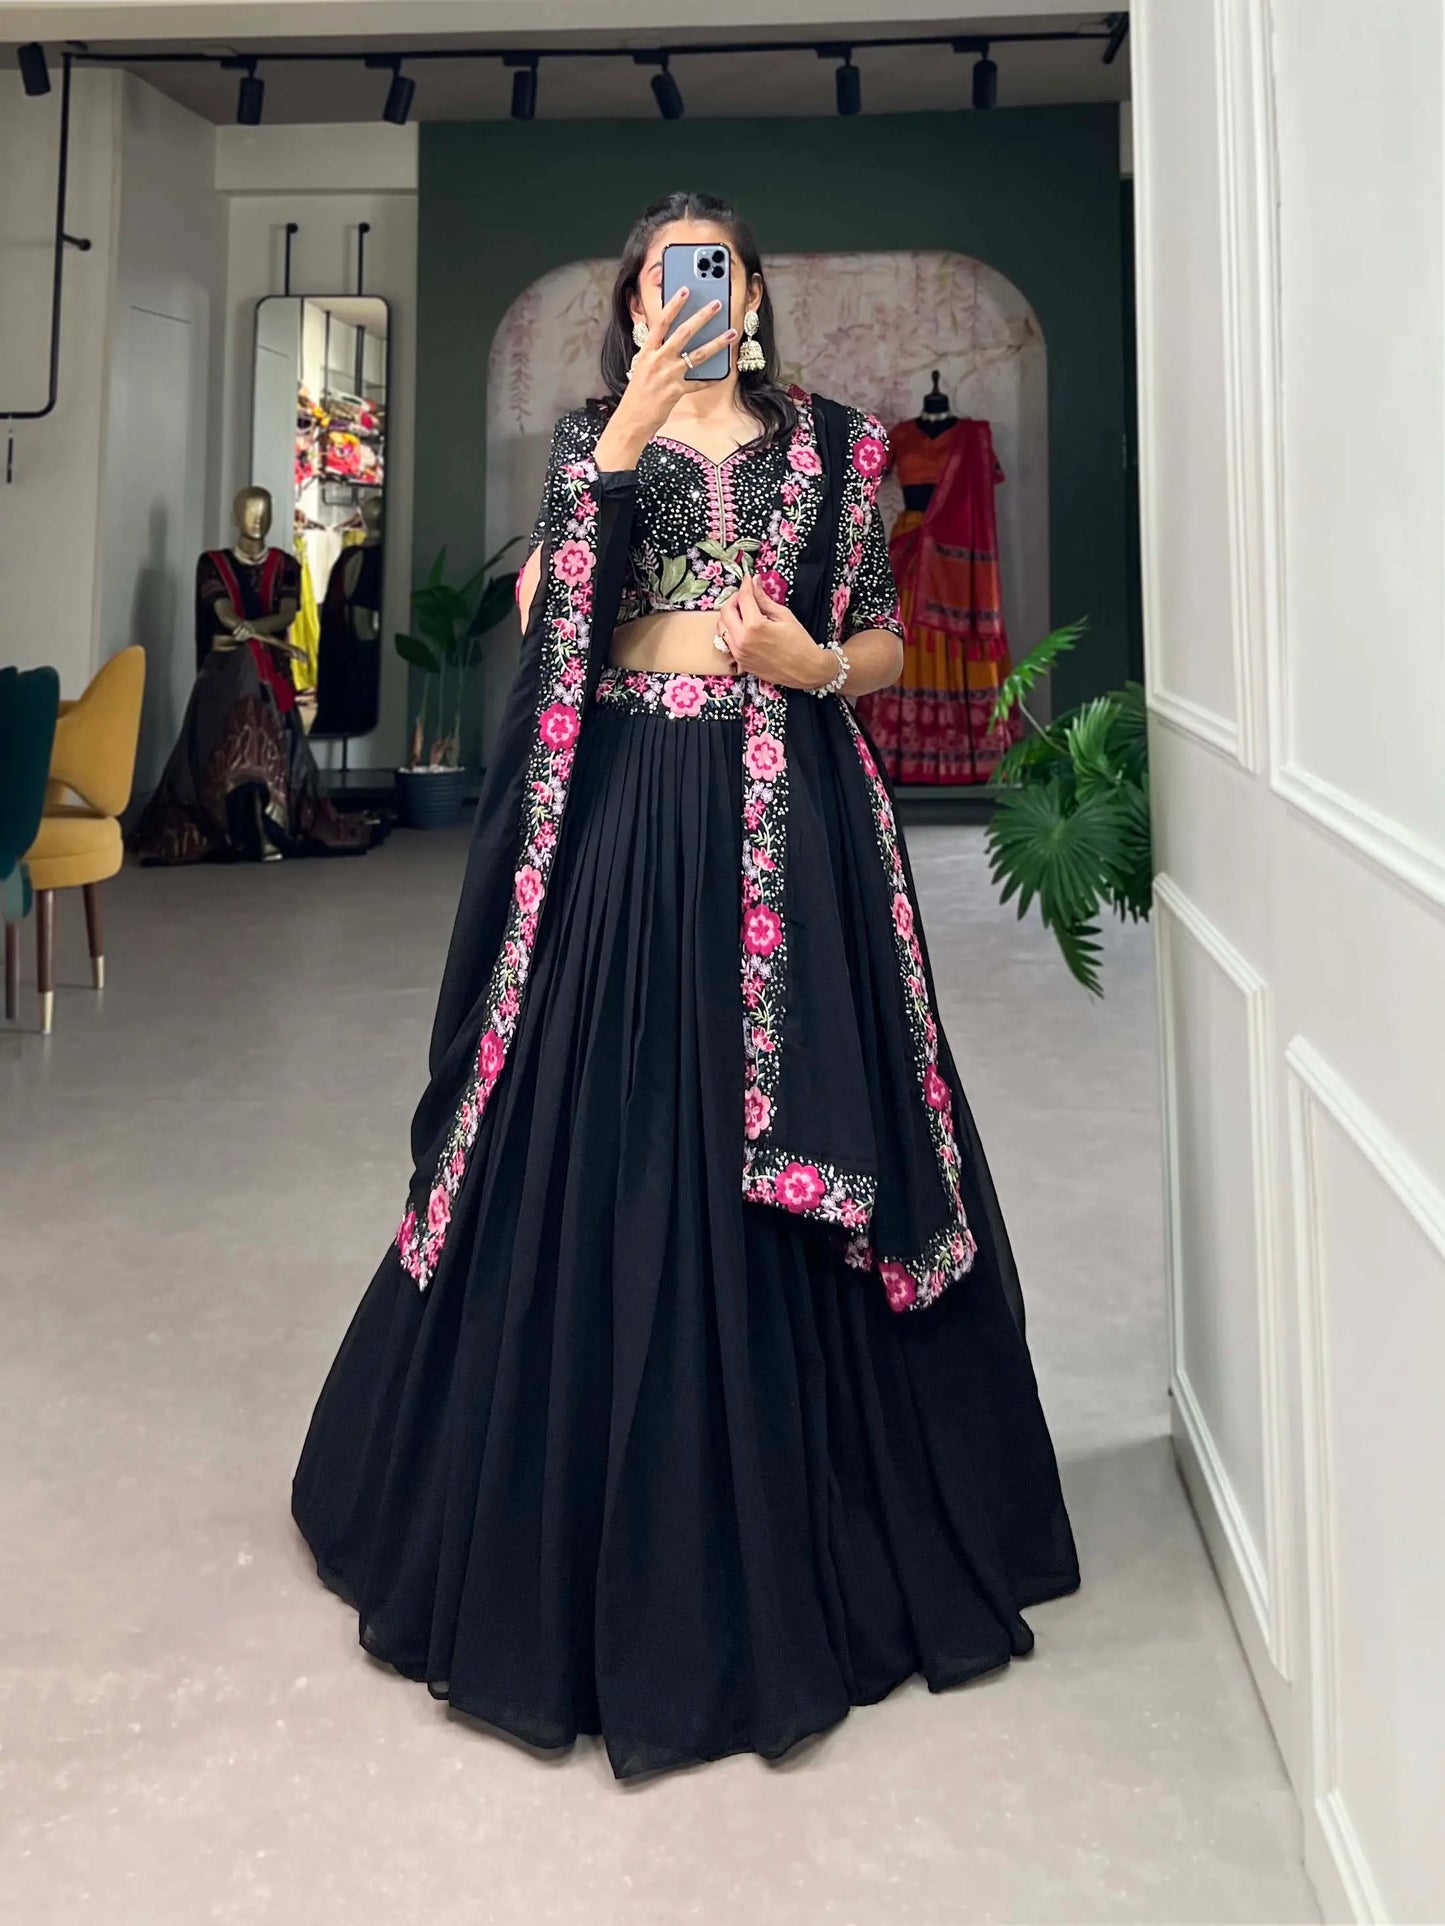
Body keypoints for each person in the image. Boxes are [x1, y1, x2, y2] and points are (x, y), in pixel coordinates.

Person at [291, 191, 1080, 1780]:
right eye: (661, 280)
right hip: (632, 822)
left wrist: (810, 664)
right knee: (618, 1125)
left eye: (711, 270)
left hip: (796, 828)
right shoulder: (595, 442)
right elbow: (550, 634)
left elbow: (884, 643)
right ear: (635, 309)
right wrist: (620, 444)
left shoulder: (840, 446)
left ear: (753, 291)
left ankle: (821, 1524)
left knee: (801, 1125)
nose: (690, 295)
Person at [129, 486, 380, 864]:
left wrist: (251, 630)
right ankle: (238, 819)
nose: (257, 519)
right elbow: (222, 611)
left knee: (254, 674)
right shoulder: (212, 563)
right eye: (248, 511)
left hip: (270, 671)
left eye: (264, 511)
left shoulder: (286, 565)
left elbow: (286, 613)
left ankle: (264, 816)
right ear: (235, 516)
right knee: (243, 669)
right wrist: (245, 630)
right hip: (225, 668)